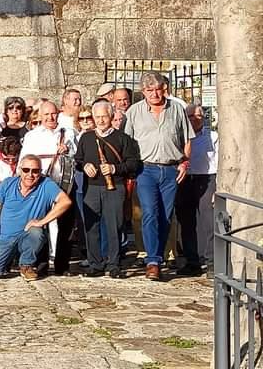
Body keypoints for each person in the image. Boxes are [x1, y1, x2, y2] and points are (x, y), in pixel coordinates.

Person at [123, 71, 194, 280]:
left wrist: (184, 163)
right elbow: (127, 143)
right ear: (142, 91)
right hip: (146, 170)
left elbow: (187, 139)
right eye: (149, 90)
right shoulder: (134, 112)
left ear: (164, 89)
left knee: (166, 216)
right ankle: (152, 261)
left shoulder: (177, 109)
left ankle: (159, 257)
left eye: (158, 89)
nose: (154, 93)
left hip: (171, 169)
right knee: (150, 212)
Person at [75, 99, 141, 278]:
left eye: (104, 116)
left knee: (114, 227)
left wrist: (114, 168)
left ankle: (114, 264)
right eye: (97, 117)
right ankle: (95, 263)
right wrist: (84, 166)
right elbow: (78, 160)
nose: (101, 120)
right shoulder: (86, 137)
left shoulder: (122, 138)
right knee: (91, 227)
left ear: (111, 116)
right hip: (92, 188)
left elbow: (133, 163)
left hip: (114, 187)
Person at [0, 157, 73, 280]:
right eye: (26, 170)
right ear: (20, 170)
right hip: (5, 238)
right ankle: (8, 260)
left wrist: (42, 221)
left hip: (28, 235)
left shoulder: (46, 185)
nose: (30, 174)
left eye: (35, 171)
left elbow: (65, 201)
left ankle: (26, 264)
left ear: (40, 172)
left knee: (36, 232)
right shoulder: (7, 183)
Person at [20, 100, 77, 275]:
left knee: (66, 226)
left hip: (65, 184)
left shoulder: (69, 133)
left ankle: (62, 265)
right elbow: (24, 160)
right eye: (46, 115)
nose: (50, 117)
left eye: (53, 114)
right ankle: (41, 264)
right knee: (41, 223)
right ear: (40, 116)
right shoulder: (33, 135)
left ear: (58, 113)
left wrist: (67, 149)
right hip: (42, 184)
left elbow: (76, 153)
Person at [176, 104, 217, 275]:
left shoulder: (213, 136)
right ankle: (191, 260)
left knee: (208, 219)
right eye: (191, 116)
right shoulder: (180, 136)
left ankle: (211, 260)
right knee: (186, 220)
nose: (194, 119)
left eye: (199, 116)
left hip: (206, 177)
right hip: (184, 178)